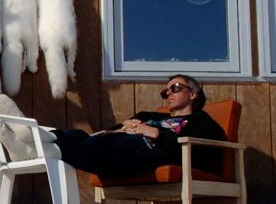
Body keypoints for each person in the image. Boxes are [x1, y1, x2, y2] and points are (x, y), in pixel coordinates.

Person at [51, 74, 228, 181]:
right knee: (76, 135)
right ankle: (46, 140)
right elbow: (114, 131)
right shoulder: (148, 116)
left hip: (152, 155)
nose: (168, 93)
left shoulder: (201, 121)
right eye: (166, 91)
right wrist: (121, 128)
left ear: (193, 93)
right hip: (123, 149)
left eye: (175, 88)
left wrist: (155, 133)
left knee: (91, 147)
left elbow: (203, 147)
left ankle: (47, 149)